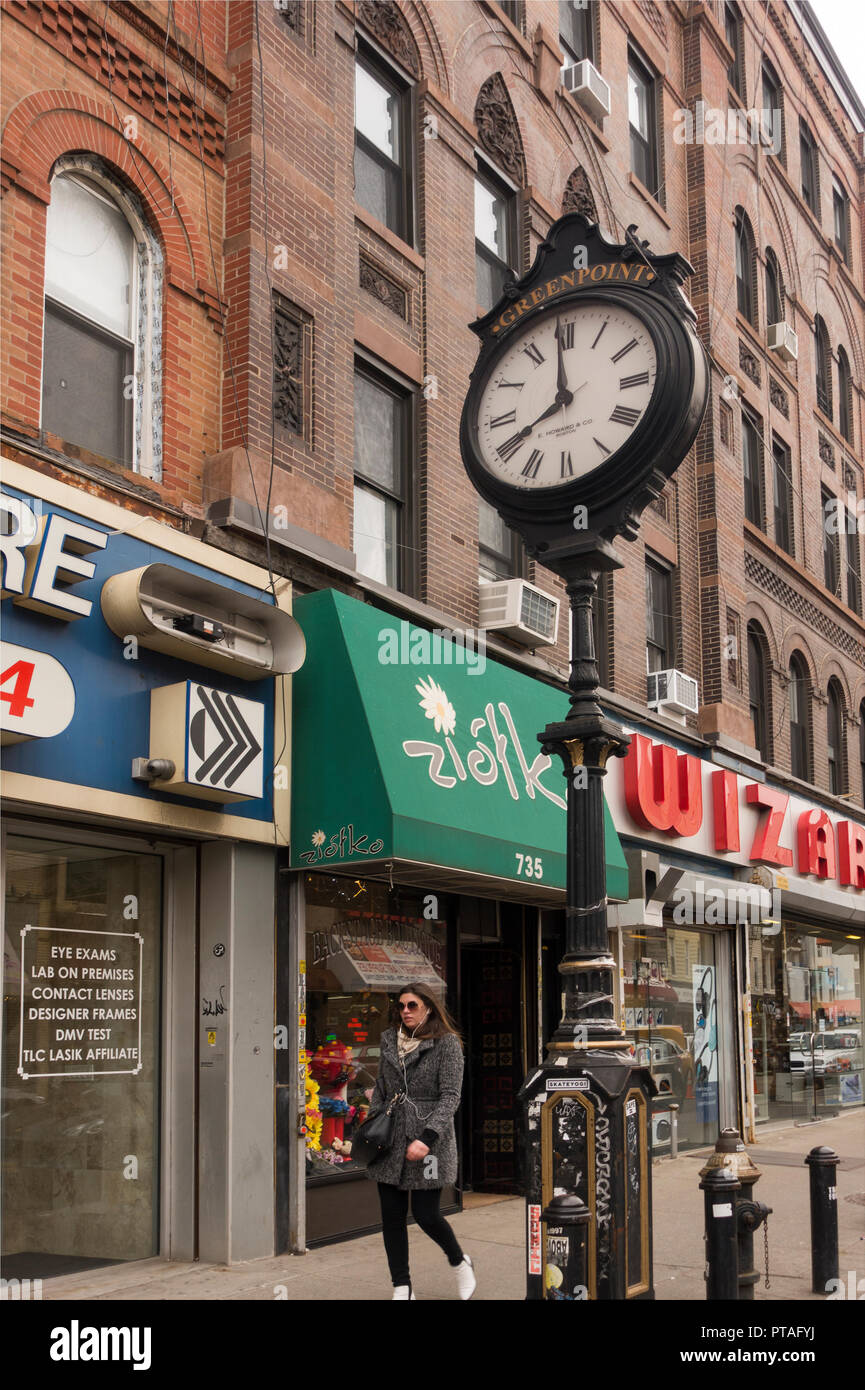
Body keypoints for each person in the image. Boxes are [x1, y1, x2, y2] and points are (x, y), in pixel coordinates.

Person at [364, 984, 476, 1301]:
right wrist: (373, 1127)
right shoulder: (389, 1042)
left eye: (412, 1005)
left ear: (427, 1006)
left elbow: (451, 1097)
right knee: (392, 1218)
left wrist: (427, 1138)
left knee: (427, 1215)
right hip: (389, 1140)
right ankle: (402, 1286)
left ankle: (460, 1262)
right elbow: (382, 1089)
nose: (405, 1012)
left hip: (430, 1142)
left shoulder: (447, 1044)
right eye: (400, 1007)